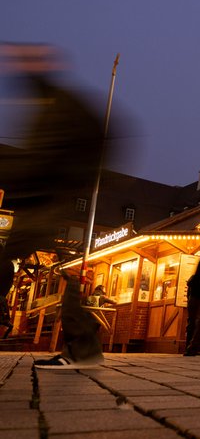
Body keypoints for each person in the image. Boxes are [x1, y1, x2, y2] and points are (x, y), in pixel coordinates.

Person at [1, 44, 120, 369]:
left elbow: (46, 157)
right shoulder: (51, 103)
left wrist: (71, 181)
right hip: (47, 199)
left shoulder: (59, 106)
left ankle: (83, 349)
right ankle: (83, 348)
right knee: (60, 273)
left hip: (49, 201)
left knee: (54, 271)